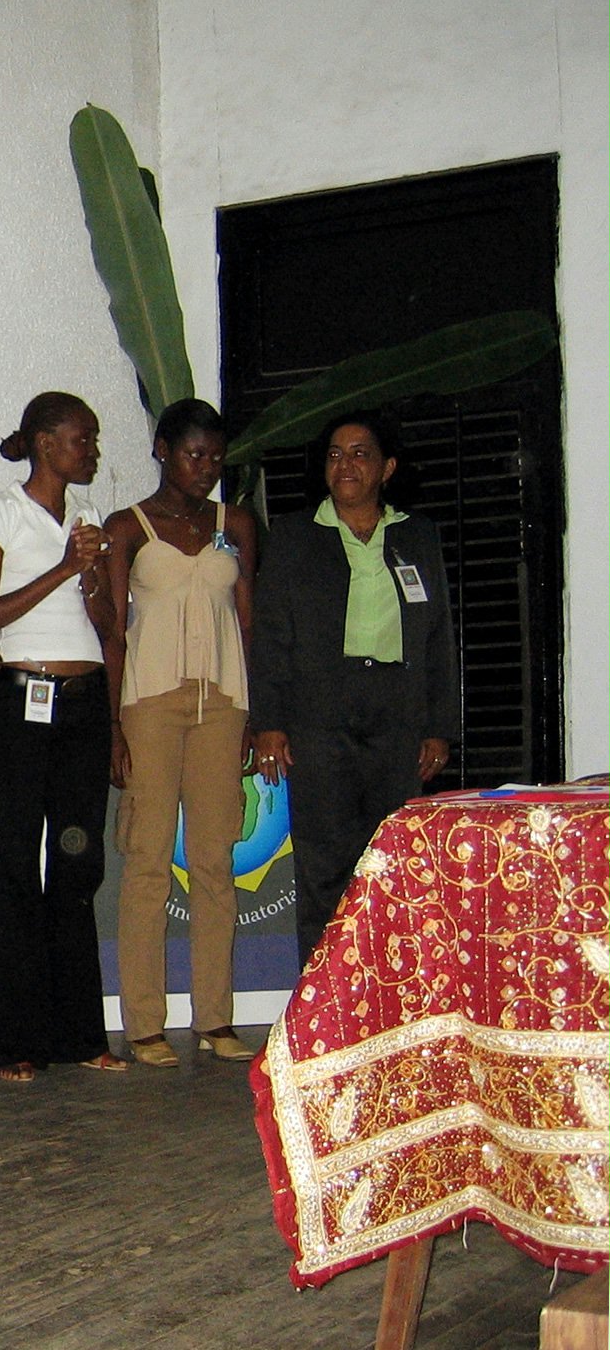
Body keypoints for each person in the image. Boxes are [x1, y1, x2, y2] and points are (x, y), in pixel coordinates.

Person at [250, 412, 458, 965]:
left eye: (361, 453)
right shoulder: (295, 536)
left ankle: (392, 995)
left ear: (387, 468)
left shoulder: (417, 534)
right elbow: (270, 636)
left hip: (397, 713)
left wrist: (439, 727)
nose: (346, 464)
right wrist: (268, 722)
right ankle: (324, 1006)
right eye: (336, 454)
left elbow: (438, 636)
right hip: (319, 715)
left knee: (395, 861)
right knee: (324, 865)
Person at [0, 391, 126, 1081]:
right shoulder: (0, 511)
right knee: (18, 858)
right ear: (42, 442)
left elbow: (106, 622)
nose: (90, 450)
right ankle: (13, 1041)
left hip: (85, 702)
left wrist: (89, 576)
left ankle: (79, 1033)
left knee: (77, 860)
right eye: (80, 439)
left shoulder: (87, 515)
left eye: (92, 440)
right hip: (23, 700)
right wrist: (62, 565)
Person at [102, 399, 259, 1066]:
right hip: (150, 704)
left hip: (222, 703)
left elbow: (247, 622)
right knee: (147, 862)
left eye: (217, 458)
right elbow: (113, 629)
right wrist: (115, 726)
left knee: (215, 859)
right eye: (194, 454)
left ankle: (216, 1019)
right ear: (162, 450)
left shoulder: (237, 525)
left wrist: (257, 715)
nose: (206, 468)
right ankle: (144, 1023)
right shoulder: (128, 527)